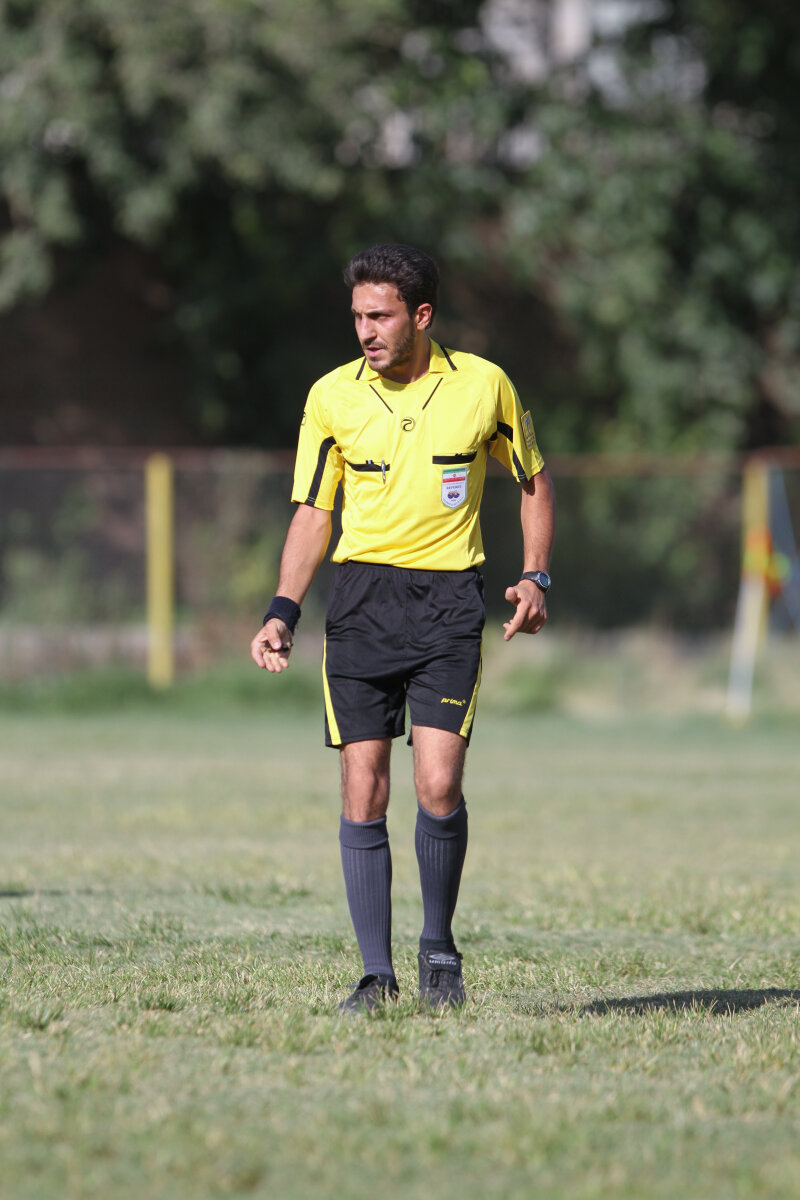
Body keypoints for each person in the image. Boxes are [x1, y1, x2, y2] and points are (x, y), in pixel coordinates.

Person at [250, 244, 555, 1013]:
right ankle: (375, 975)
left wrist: (536, 575)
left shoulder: (483, 385)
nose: (366, 330)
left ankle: (439, 951)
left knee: (438, 782)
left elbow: (534, 481)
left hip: (449, 601)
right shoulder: (331, 397)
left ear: (421, 315)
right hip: (360, 602)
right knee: (365, 786)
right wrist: (283, 609)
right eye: (358, 316)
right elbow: (313, 511)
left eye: (380, 316)